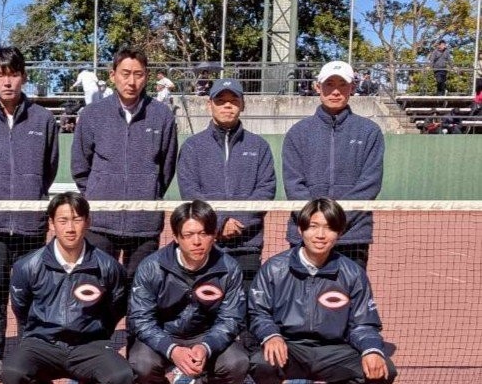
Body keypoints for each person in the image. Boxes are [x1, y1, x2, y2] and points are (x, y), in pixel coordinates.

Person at [248, 198, 397, 384]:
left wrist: (371, 349)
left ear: (339, 233)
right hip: (290, 348)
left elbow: (363, 323)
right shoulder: (274, 268)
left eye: (328, 228)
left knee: (384, 371)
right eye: (313, 226)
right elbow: (258, 312)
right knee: (260, 362)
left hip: (332, 351)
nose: (320, 235)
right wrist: (271, 335)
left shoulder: (352, 273)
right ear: (301, 230)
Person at [0, 46, 59, 384]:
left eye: (14, 74)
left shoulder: (44, 120)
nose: (8, 82)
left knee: (30, 294)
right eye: (1, 75)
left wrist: (29, 195)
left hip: (30, 223)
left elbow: (49, 168)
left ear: (24, 77)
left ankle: (28, 356)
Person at [2, 192, 135, 384]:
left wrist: (96, 332)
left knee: (122, 378)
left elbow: (116, 307)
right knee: (11, 374)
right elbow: (21, 308)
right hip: (42, 343)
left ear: (88, 222)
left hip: (89, 345)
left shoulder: (108, 266)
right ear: (51, 223)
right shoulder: (28, 266)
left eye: (77, 219)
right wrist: (38, 333)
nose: (70, 228)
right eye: (63, 220)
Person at [127, 201, 249, 384]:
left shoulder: (229, 268)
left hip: (206, 335)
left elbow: (231, 318)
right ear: (176, 237)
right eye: (189, 234)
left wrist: (206, 346)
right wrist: (171, 349)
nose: (197, 241)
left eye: (204, 233)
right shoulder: (151, 267)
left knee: (238, 362)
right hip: (163, 334)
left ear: (214, 235)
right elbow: (140, 319)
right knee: (139, 362)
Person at [72, 47, 178, 283]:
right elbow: (80, 166)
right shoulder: (92, 114)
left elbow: (166, 166)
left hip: (144, 223)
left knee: (140, 293)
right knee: (98, 291)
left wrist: (149, 192)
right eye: (125, 73)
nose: (131, 81)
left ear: (146, 77)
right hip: (100, 222)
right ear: (113, 75)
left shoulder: (162, 116)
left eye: (138, 74)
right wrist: (97, 194)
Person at [282, 60, 384, 270]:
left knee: (348, 291)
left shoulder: (370, 132)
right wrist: (315, 222)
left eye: (342, 85)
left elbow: (370, 183)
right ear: (317, 87)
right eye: (329, 84)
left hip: (352, 236)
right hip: (307, 234)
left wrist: (336, 221)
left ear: (352, 88)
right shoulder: (297, 132)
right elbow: (294, 184)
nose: (335, 91)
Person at [177, 78, 276, 295]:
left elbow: (266, 189)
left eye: (233, 100)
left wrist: (237, 221)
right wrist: (220, 222)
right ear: (209, 105)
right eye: (221, 101)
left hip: (247, 244)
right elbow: (190, 190)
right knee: (206, 304)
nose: (227, 106)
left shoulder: (259, 146)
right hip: (206, 242)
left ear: (243, 104)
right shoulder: (192, 146)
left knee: (245, 304)